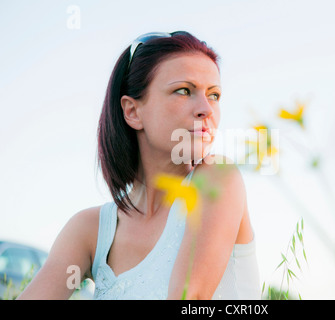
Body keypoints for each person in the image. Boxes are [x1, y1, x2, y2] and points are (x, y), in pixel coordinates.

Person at [18, 31, 260, 300]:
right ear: (133, 112)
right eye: (184, 90)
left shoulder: (217, 178)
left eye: (214, 95)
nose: (207, 109)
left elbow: (189, 300)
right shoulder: (89, 229)